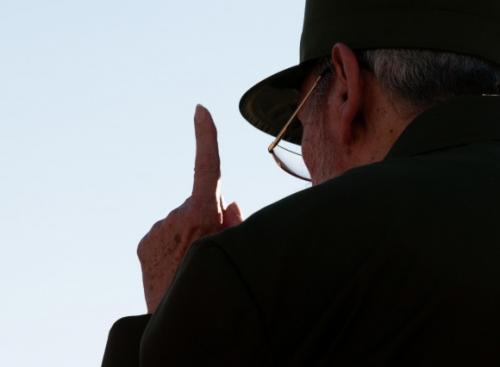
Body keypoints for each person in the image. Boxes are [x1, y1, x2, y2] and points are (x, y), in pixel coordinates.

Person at [102, 0, 500, 366]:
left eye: (301, 125)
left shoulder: (273, 270)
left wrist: (176, 311)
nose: (309, 177)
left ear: (345, 86)